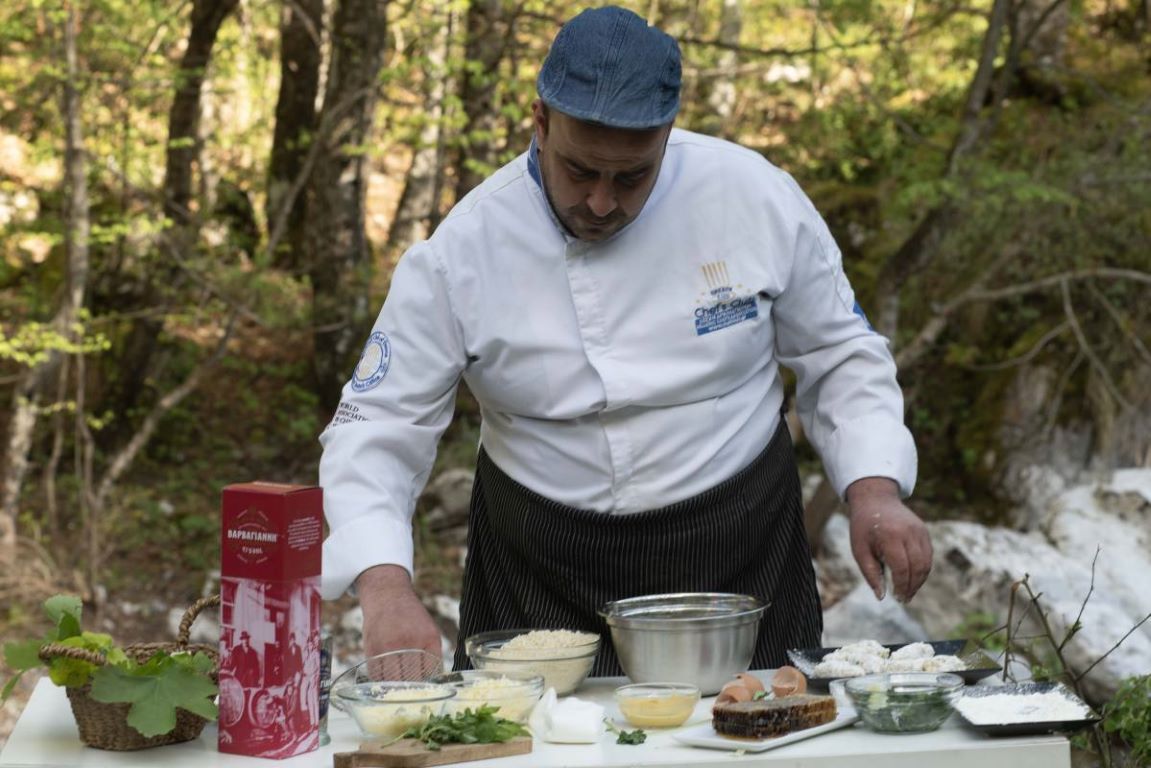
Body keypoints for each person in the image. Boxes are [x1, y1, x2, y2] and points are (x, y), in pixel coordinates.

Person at [319, 6, 932, 675]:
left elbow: (839, 352)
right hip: (539, 566)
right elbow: (379, 423)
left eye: (631, 177)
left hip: (739, 546)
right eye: (579, 171)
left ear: (667, 135)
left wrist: (873, 490)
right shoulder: (461, 252)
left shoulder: (754, 197)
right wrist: (385, 587)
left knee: (763, 722)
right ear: (539, 122)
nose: (602, 202)